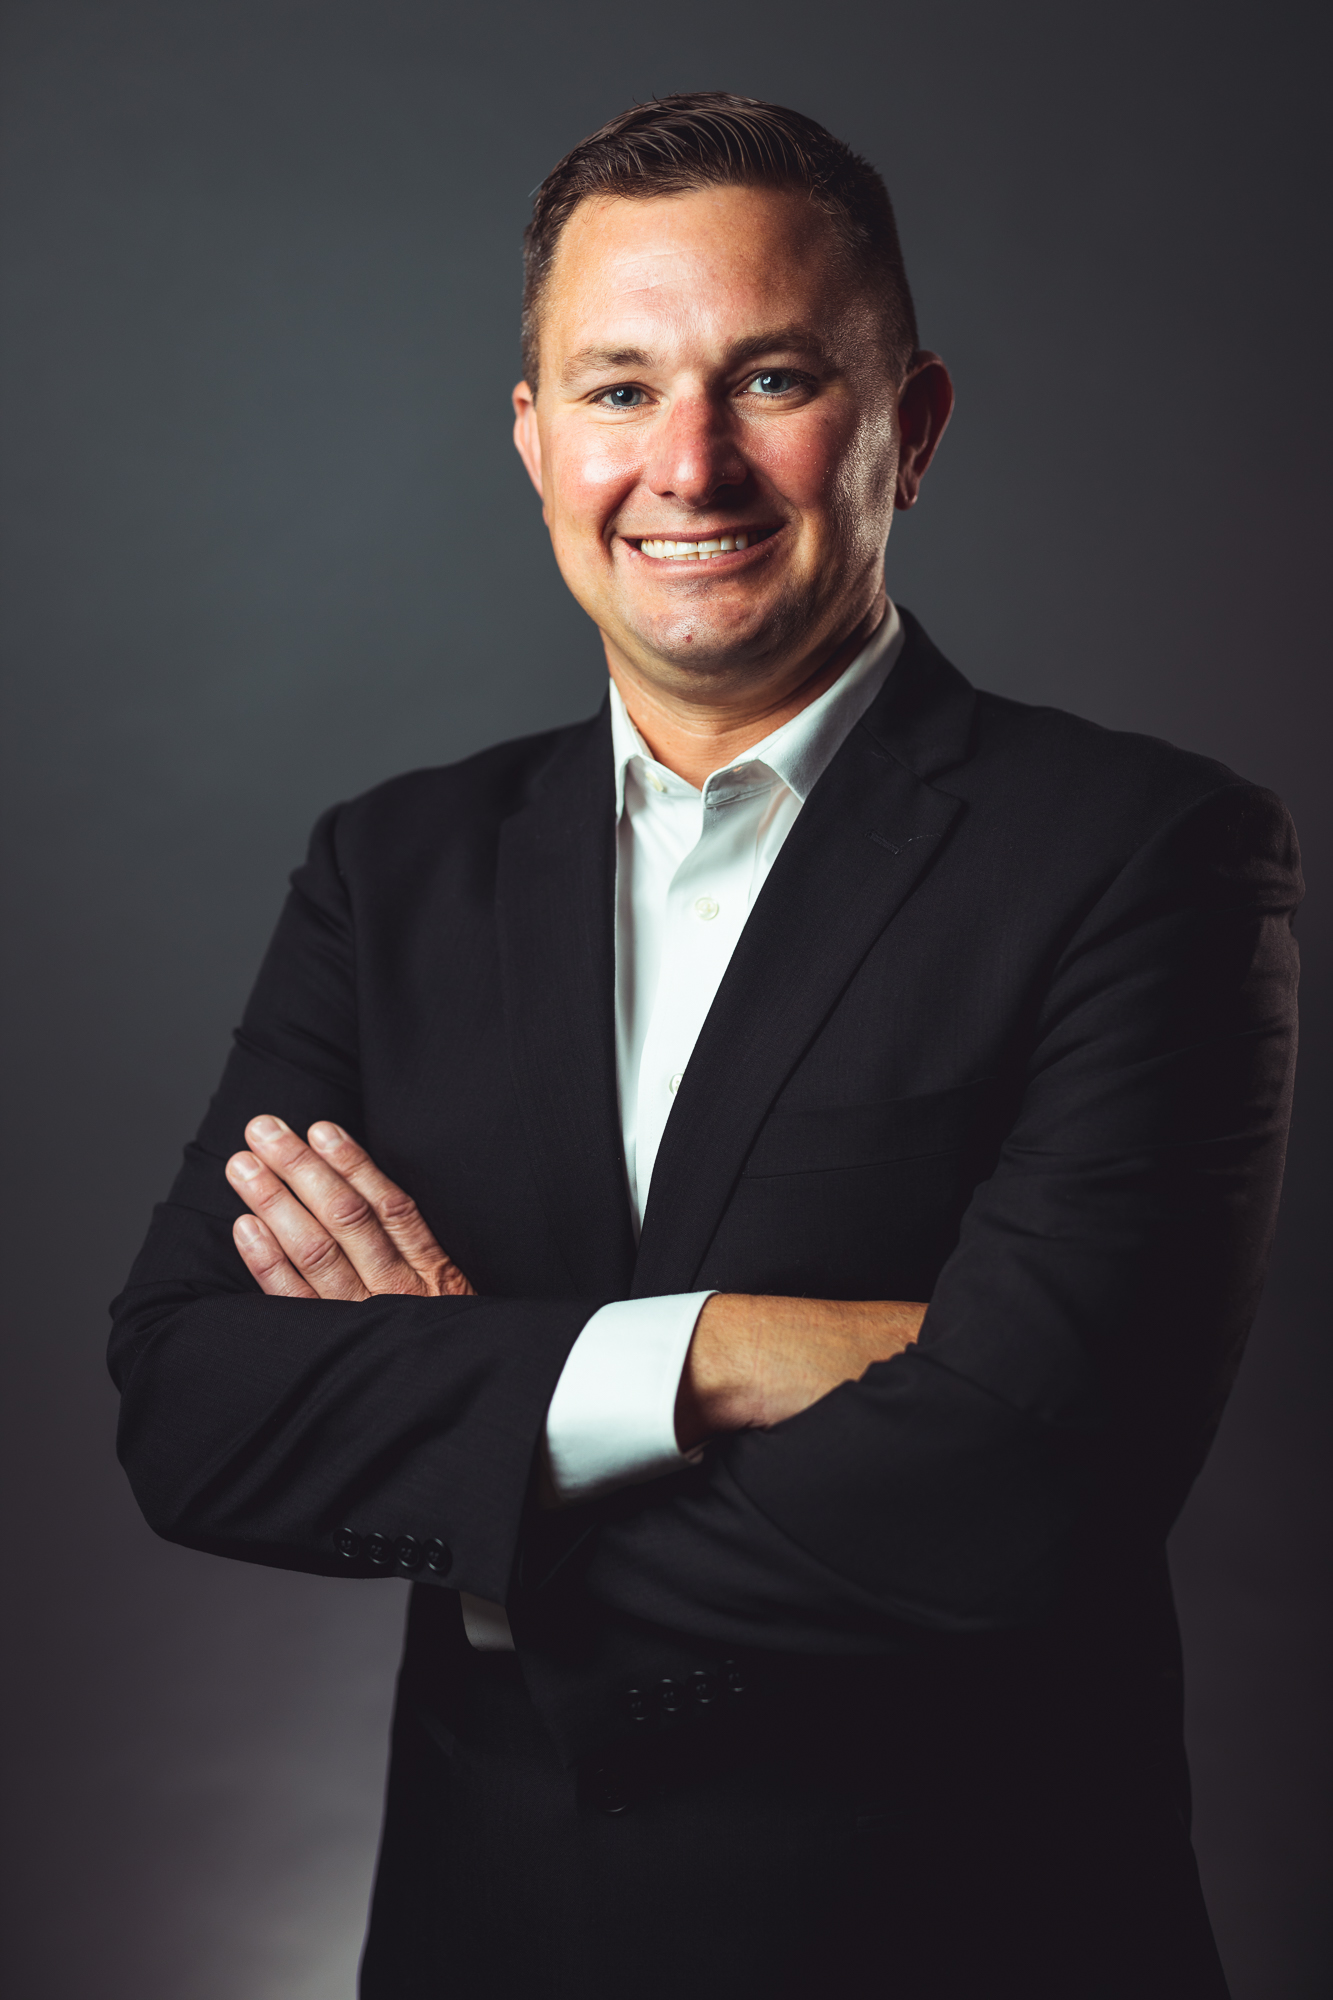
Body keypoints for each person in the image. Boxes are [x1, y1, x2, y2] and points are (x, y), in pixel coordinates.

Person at [110, 93, 1301, 1998]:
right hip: (487, 1943)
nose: (686, 464)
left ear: (907, 426)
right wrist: (713, 1356)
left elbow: (1029, 1486)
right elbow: (184, 1408)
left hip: (967, 1944)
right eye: (613, 389)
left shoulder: (1144, 854)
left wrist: (471, 1469)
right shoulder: (390, 866)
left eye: (766, 379)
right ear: (529, 438)